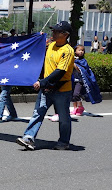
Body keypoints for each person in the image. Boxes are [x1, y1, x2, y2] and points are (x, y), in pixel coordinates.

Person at [16, 21, 75, 151]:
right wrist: (38, 38)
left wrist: (42, 82)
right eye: (52, 30)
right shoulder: (51, 45)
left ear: (65, 34)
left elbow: (60, 72)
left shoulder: (68, 51)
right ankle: (28, 138)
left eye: (56, 31)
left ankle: (64, 142)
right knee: (38, 113)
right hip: (46, 88)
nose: (53, 33)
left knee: (64, 118)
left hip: (61, 90)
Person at [66, 44, 101, 117]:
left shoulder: (83, 61)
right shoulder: (74, 59)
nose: (81, 52)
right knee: (72, 95)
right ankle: (75, 108)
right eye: (79, 50)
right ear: (75, 51)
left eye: (82, 50)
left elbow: (80, 70)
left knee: (76, 94)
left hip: (80, 81)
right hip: (73, 80)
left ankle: (80, 107)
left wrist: (73, 63)